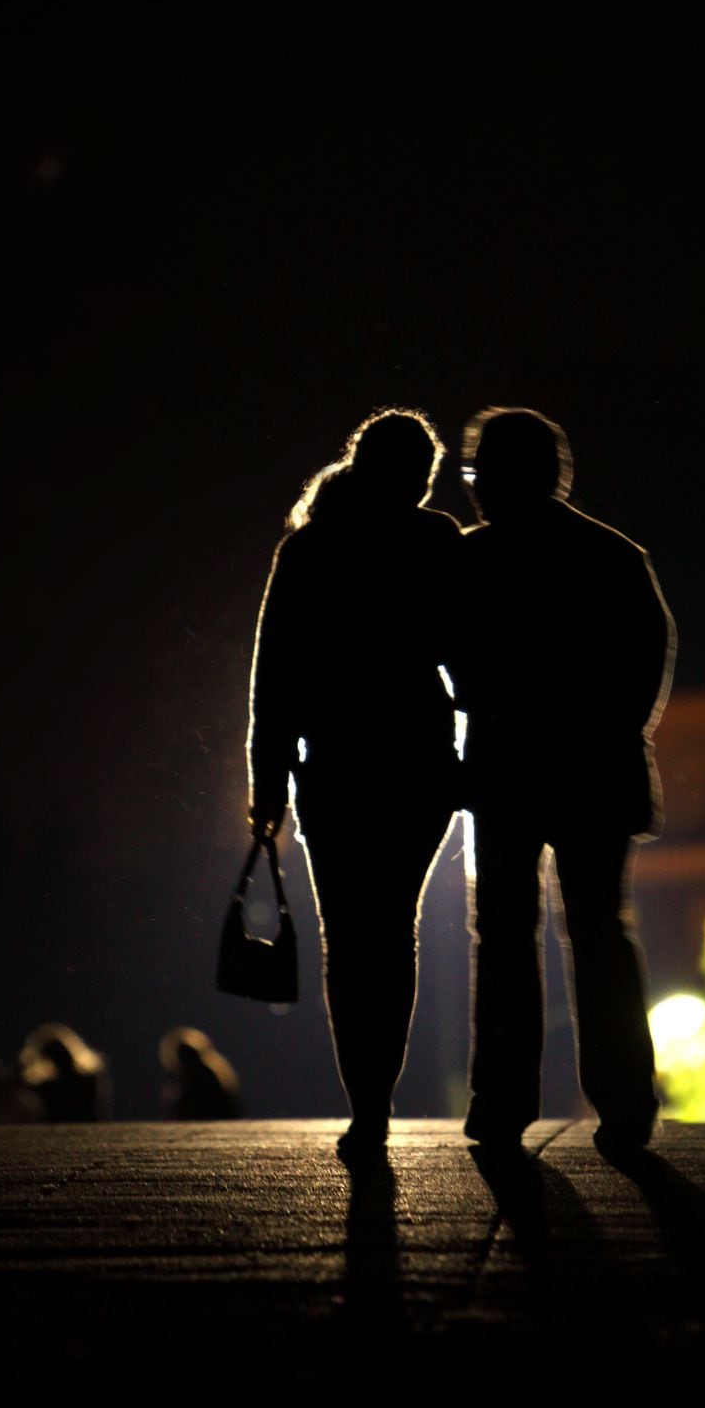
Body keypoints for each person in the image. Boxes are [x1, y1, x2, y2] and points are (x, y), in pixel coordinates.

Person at [445, 408, 675, 1152]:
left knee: (504, 935)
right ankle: (625, 1102)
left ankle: (503, 1100)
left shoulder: (471, 560)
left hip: (506, 770)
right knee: (601, 934)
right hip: (596, 773)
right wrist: (607, 731)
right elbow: (646, 661)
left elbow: (448, 654)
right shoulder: (611, 555)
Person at [247, 408, 460, 1150]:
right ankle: (378, 1094)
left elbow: (272, 677)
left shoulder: (308, 548)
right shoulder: (436, 540)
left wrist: (267, 785)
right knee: (393, 928)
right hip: (419, 761)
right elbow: (466, 656)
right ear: (421, 476)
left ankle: (366, 1102)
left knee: (349, 933)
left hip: (335, 765)